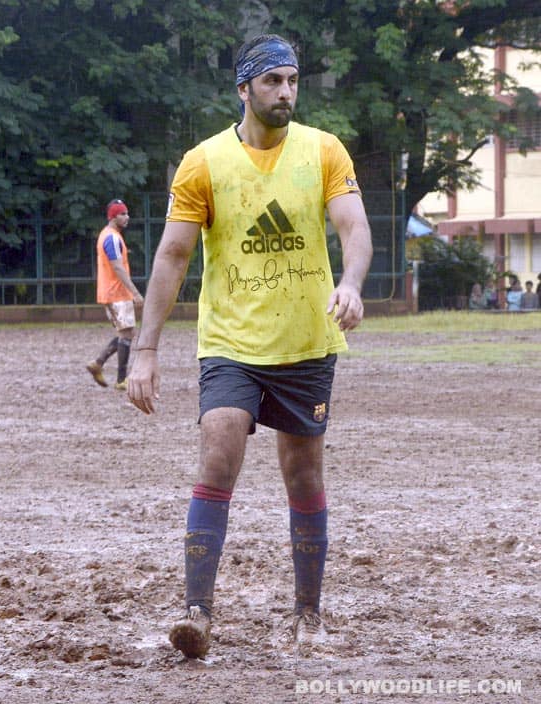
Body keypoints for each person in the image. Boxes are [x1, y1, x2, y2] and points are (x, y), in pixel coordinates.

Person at [127, 33, 372, 659]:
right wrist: (146, 350)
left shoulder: (323, 151)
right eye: (272, 82)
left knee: (303, 473)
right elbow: (173, 255)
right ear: (244, 89)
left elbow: (354, 226)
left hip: (306, 344)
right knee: (219, 447)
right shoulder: (204, 163)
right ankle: (197, 614)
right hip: (231, 343)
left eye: (292, 81)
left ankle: (308, 615)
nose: (285, 92)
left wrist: (350, 281)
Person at [86, 199, 144, 390]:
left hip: (113, 292)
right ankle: (120, 379)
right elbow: (117, 267)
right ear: (112, 216)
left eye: (127, 213)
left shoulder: (109, 235)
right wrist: (135, 292)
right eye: (122, 214)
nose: (127, 217)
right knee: (127, 333)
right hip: (116, 292)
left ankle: (98, 364)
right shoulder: (111, 237)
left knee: (125, 332)